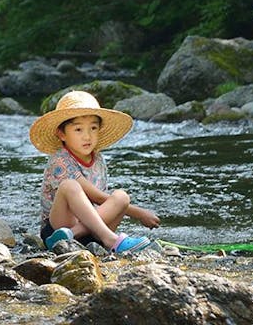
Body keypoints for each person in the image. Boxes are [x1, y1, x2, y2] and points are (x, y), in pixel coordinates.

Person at [29, 89, 160, 254]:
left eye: (93, 128)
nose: (87, 136)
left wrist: (123, 205)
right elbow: (95, 196)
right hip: (57, 229)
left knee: (121, 196)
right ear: (61, 134)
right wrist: (139, 213)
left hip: (90, 229)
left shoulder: (98, 159)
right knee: (70, 186)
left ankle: (76, 234)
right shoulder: (59, 160)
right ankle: (111, 239)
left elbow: (103, 202)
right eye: (78, 130)